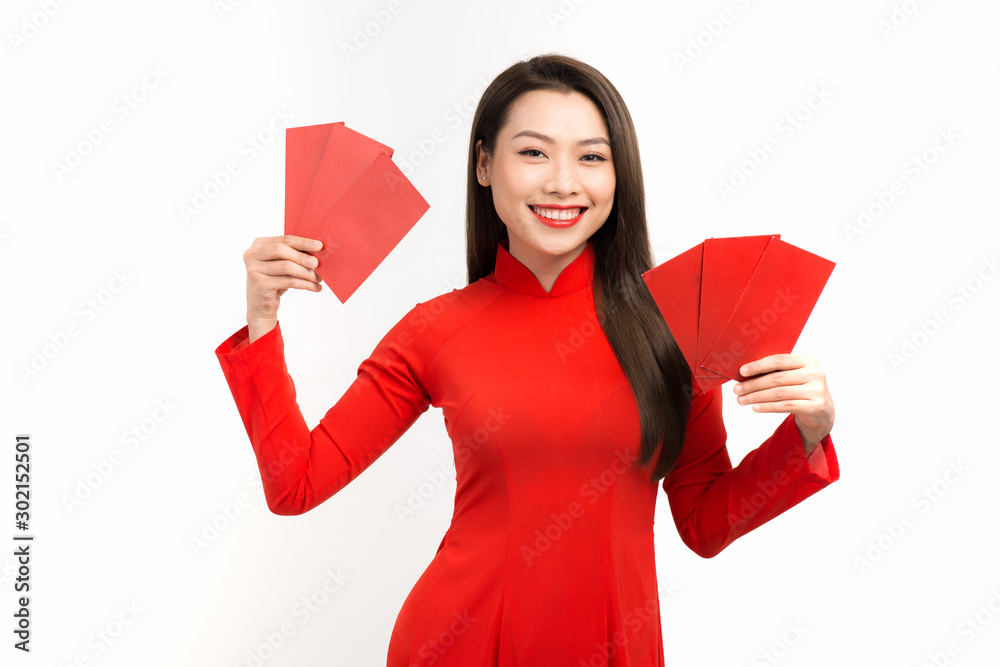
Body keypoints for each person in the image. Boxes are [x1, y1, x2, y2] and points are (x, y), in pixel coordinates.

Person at [215, 53, 839, 667]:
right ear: (485, 165)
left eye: (592, 157)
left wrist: (807, 434)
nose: (563, 181)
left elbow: (704, 523)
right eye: (534, 152)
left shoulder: (677, 323)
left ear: (619, 176)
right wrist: (263, 322)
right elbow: (297, 484)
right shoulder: (435, 329)